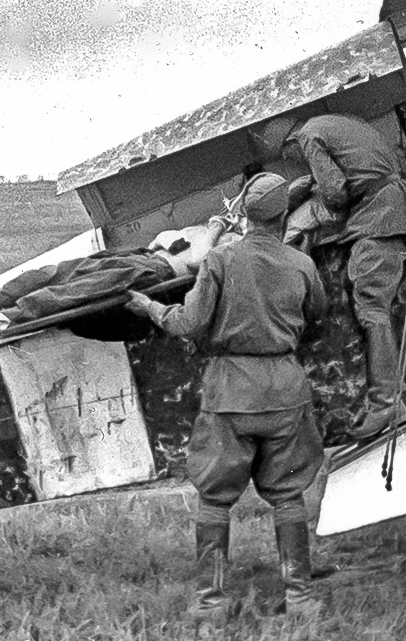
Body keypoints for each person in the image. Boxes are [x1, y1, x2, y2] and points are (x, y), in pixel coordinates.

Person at [126, 173, 327, 623]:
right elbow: (317, 313)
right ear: (282, 214)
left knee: (215, 500)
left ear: (246, 215)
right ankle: (300, 597)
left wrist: (149, 307)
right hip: (284, 390)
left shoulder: (219, 259)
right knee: (288, 497)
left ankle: (210, 604)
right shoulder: (302, 264)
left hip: (230, 392)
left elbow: (188, 324)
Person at [252, 113, 406, 440]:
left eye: (289, 157)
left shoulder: (308, 136)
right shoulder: (326, 123)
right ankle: (401, 399)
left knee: (371, 305)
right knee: (375, 305)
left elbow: (335, 191)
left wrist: (311, 200)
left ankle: (385, 402)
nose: (294, 161)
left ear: (288, 144)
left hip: (381, 214)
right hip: (390, 205)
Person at [0, 219, 233, 323]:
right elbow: (160, 239)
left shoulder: (229, 239)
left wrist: (216, 226)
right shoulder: (213, 231)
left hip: (155, 269)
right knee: (46, 275)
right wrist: (192, 234)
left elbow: (197, 262)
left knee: (68, 293)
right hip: (139, 256)